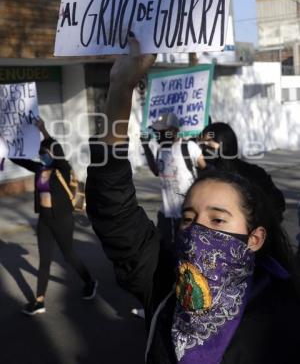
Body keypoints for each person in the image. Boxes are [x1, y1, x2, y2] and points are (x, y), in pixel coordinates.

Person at [86, 35, 300, 363]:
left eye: (217, 219)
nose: (197, 229)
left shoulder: (282, 316)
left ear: (255, 238)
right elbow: (112, 206)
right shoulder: (165, 285)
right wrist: (119, 88)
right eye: (189, 217)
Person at [10, 117, 97, 315]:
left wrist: (43, 130)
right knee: (44, 260)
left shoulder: (62, 168)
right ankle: (39, 301)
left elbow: (56, 149)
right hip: (44, 221)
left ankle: (90, 281)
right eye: (40, 153)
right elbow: (18, 159)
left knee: (69, 255)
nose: (42, 155)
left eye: (45, 152)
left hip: (62, 218)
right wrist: (4, 146)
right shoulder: (39, 169)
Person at [197, 122, 286, 222]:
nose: (204, 148)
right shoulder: (198, 173)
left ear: (225, 143)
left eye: (209, 142)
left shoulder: (253, 174)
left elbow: (276, 204)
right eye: (201, 144)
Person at [141, 113, 203, 248]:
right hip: (166, 215)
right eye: (157, 131)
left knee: (189, 250)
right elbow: (157, 171)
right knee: (166, 250)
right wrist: (146, 147)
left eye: (162, 131)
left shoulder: (188, 147)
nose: (159, 134)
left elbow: (206, 170)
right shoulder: (161, 149)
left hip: (188, 214)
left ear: (174, 130)